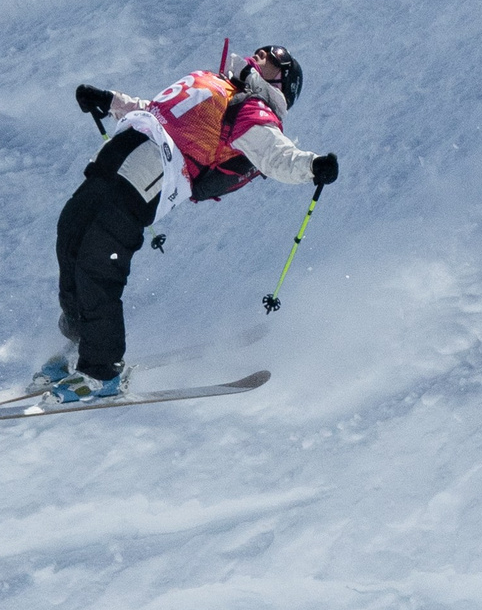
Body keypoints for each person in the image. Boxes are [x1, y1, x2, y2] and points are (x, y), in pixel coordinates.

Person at [38, 44, 342, 402]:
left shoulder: (253, 108)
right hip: (117, 157)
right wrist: (110, 101)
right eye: (262, 51)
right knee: (70, 235)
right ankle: (79, 342)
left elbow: (276, 155)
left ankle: (101, 372)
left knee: (99, 257)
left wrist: (311, 166)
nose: (262, 55)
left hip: (148, 177)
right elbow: (155, 110)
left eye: (275, 60)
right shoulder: (216, 82)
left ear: (282, 83)